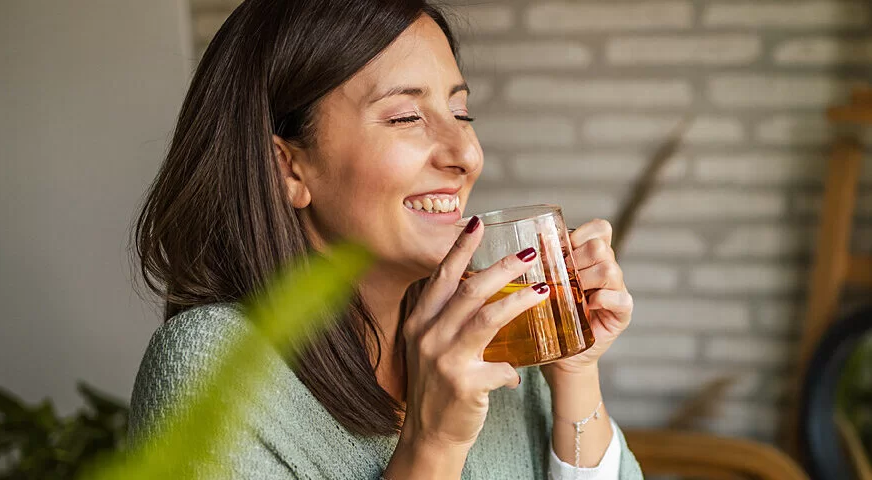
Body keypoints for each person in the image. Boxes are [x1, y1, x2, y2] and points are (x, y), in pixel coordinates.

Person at [126, 0, 641, 478]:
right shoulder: (214, 366)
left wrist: (575, 372)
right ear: (288, 167)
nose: (465, 153)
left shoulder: (490, 330)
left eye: (461, 114)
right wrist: (433, 440)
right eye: (406, 117)